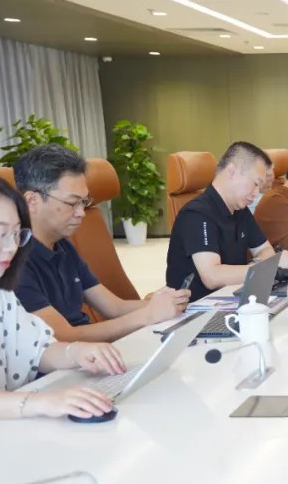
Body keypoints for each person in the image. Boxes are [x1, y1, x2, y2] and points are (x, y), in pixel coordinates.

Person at [13, 144, 189, 342]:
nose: (81, 212)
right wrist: (147, 315)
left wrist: (165, 303)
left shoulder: (62, 245)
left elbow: (114, 307)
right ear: (32, 201)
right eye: (72, 203)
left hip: (92, 352)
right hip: (66, 357)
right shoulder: (13, 261)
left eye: (84, 202)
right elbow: (63, 337)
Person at [0, 173, 126, 420]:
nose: (11, 247)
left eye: (16, 234)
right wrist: (39, 402)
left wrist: (77, 352)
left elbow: (36, 350)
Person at [165, 142, 288, 302]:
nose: (256, 193)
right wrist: (268, 267)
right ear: (231, 171)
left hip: (231, 299)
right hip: (195, 308)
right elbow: (212, 276)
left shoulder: (240, 211)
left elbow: (265, 249)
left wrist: (260, 266)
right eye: (255, 184)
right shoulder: (196, 214)